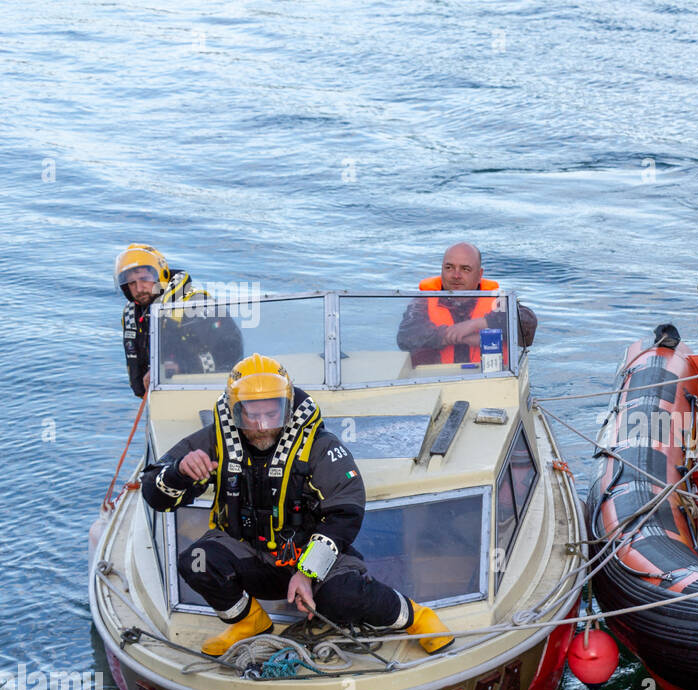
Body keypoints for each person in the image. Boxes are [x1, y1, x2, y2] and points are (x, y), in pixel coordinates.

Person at [140, 354, 453, 656]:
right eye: (252, 414)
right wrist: (179, 471)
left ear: (288, 408)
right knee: (195, 560)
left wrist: (307, 572)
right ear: (235, 411)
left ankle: (415, 617)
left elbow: (346, 513)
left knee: (343, 597)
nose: (262, 426)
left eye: (272, 413)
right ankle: (248, 622)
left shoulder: (320, 446)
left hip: (311, 555)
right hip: (248, 553)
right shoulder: (215, 440)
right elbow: (155, 495)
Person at [115, 244, 243, 397]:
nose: (139, 288)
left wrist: (182, 367)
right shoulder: (132, 314)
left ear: (160, 276)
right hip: (160, 397)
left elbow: (231, 356)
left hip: (209, 391)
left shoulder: (196, 304)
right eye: (132, 283)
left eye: (144, 279)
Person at [396, 242, 538, 364]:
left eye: (465, 269)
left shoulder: (497, 301)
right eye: (449, 267)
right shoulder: (423, 301)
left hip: (490, 381)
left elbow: (527, 326)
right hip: (436, 379)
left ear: (479, 275)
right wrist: (453, 336)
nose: (456, 275)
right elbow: (406, 337)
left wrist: (480, 323)